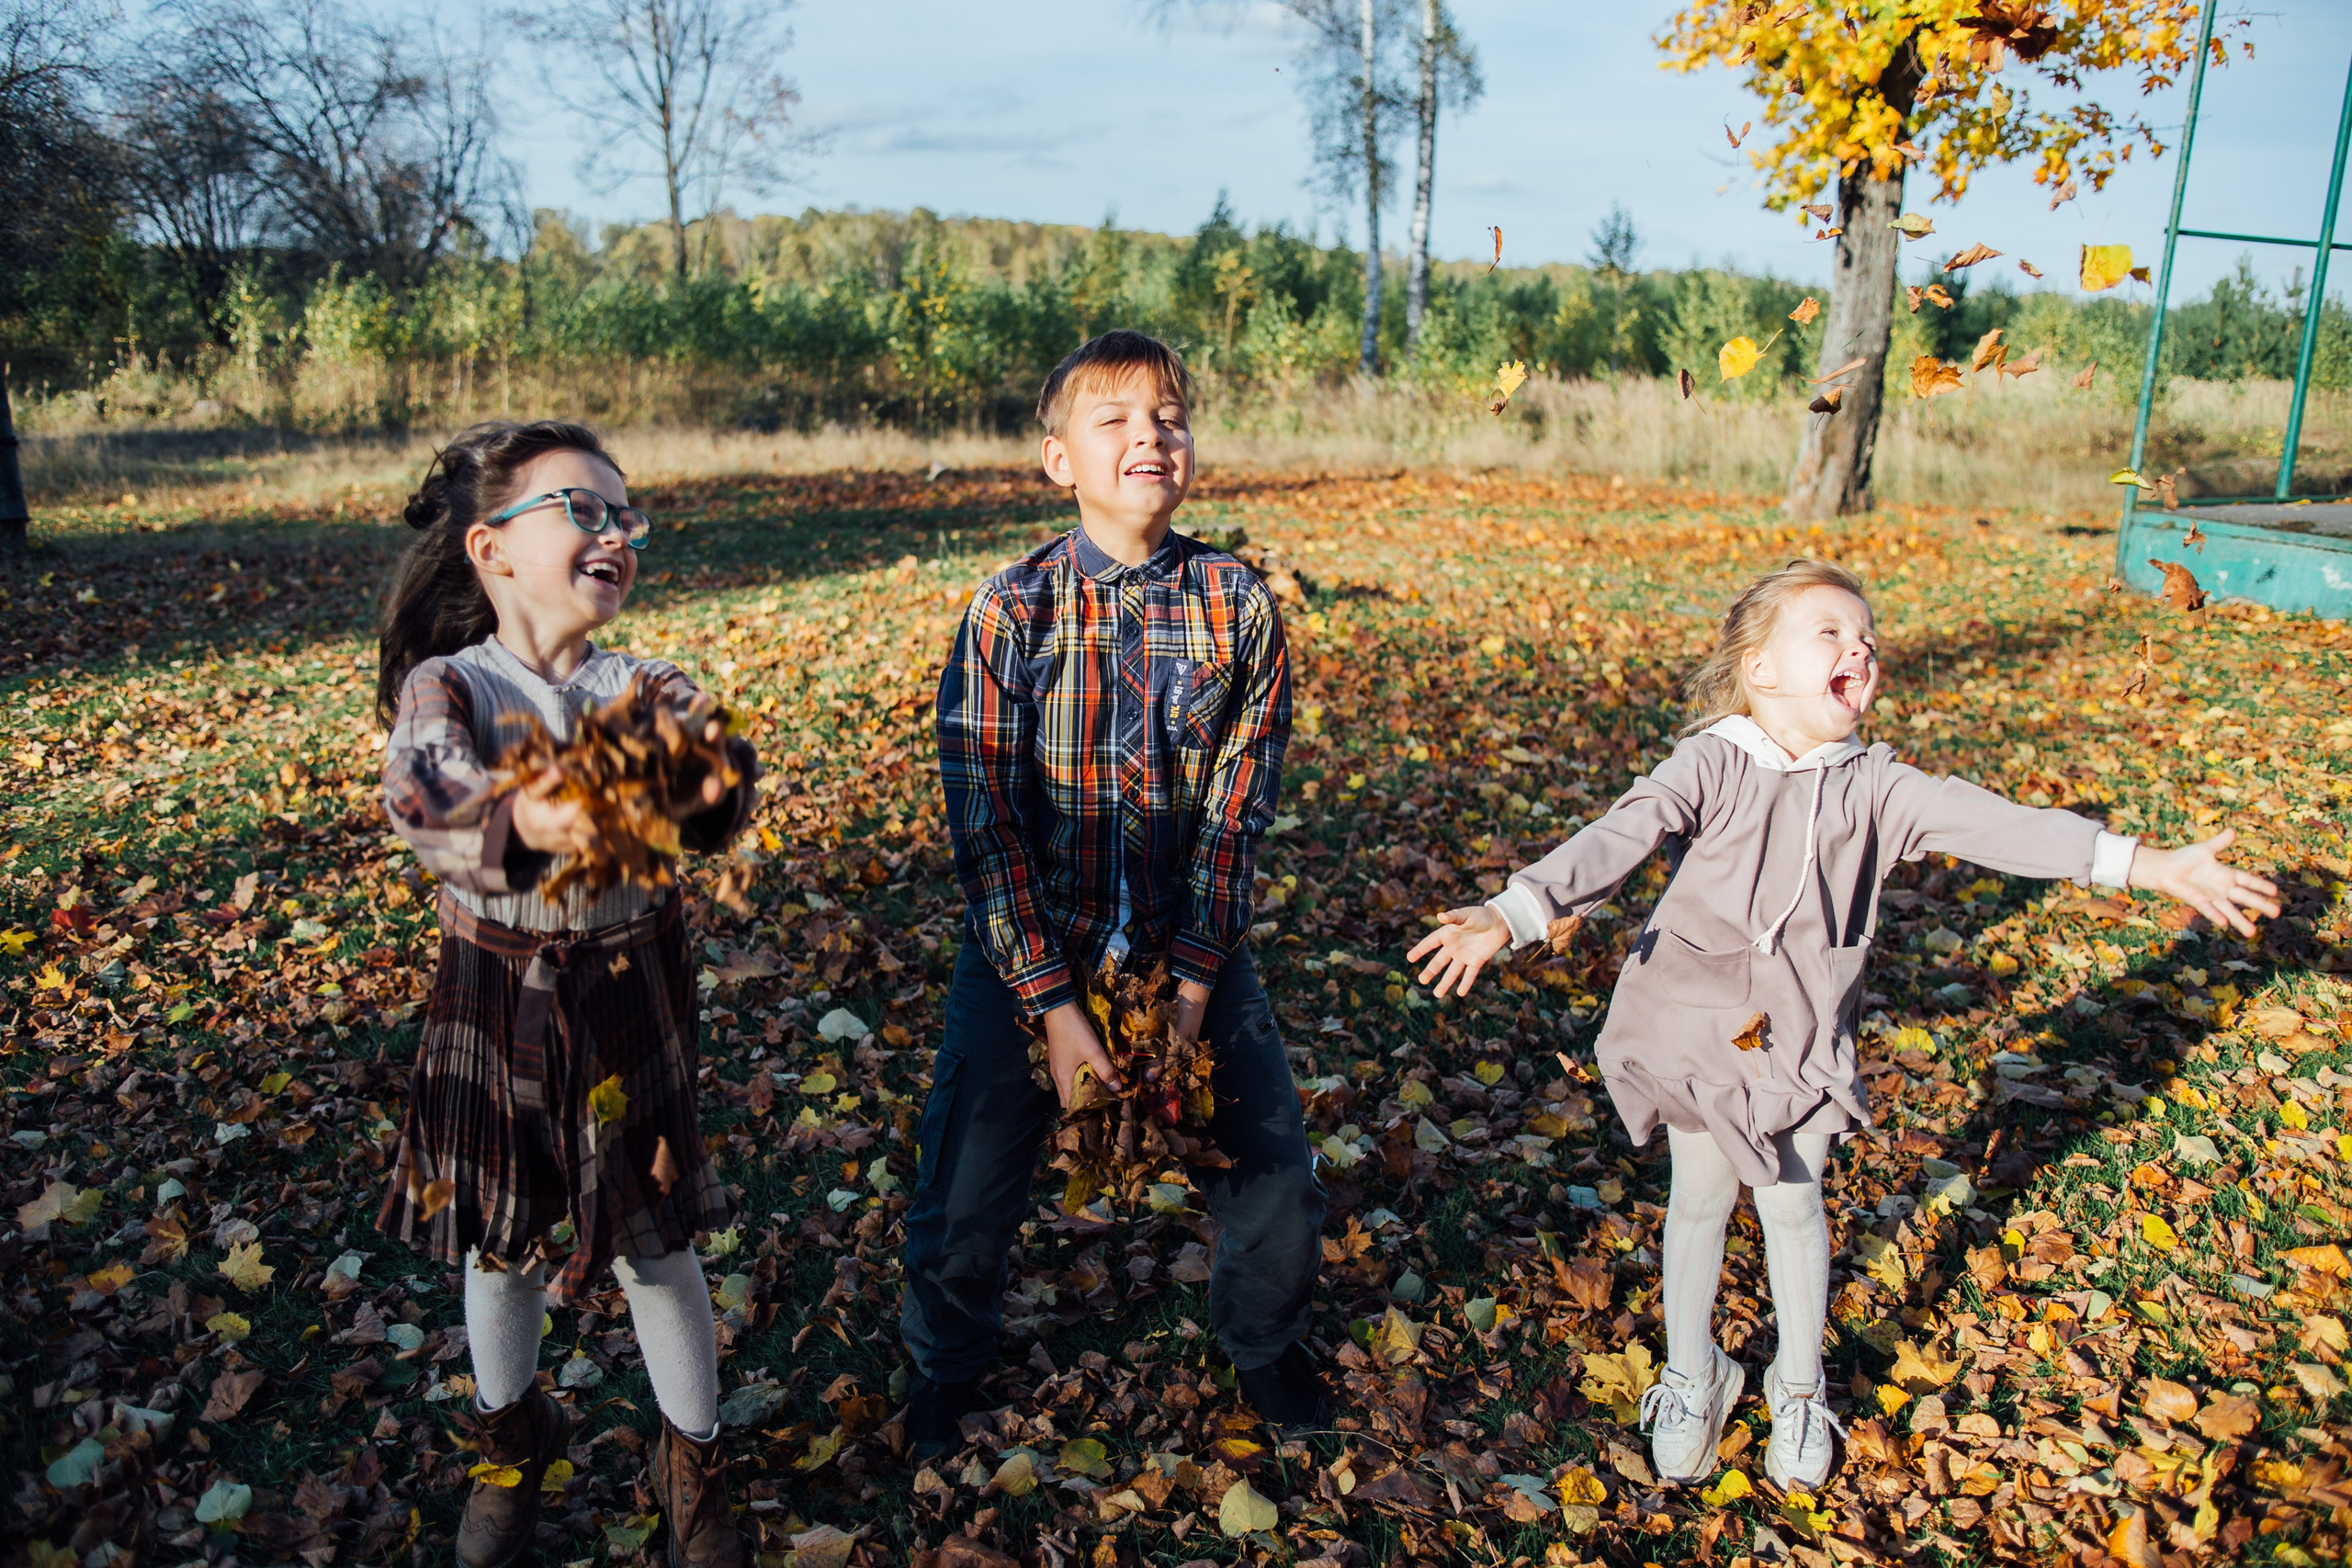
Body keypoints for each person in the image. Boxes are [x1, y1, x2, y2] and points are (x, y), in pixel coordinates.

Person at [1408, 558, 2278, 1491]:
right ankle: (1691, 1370)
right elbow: (1624, 831)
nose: (1857, 645)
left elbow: (2001, 826)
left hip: (1790, 1035)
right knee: (1698, 1199)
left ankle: (1798, 1385)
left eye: (1865, 636)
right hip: (1691, 1024)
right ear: (1760, 668)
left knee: (1788, 1200)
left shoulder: (1877, 787)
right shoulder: (1709, 761)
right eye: (1829, 629)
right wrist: (1520, 909)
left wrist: (2142, 865)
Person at [899, 330, 1326, 1458]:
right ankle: (944, 1365)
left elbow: (1238, 815)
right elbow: (985, 828)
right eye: (1116, 420)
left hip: (1189, 944)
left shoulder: (1237, 604)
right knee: (965, 1181)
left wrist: (1189, 994)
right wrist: (1053, 1010)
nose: (1151, 437)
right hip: (1034, 945)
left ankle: (1262, 1345)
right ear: (1057, 459)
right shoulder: (1012, 613)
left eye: (1171, 418)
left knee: (1277, 1180)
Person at [371, 421, 760, 1568]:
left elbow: (720, 784)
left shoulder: (643, 682)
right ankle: (511, 1437)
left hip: (631, 993)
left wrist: (679, 782)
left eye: (624, 513)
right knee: (498, 1241)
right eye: (580, 509)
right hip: (498, 999)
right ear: (490, 548)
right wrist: (544, 812)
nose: (613, 531)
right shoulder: (451, 685)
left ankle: (692, 1455)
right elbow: (427, 797)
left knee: (655, 1242)